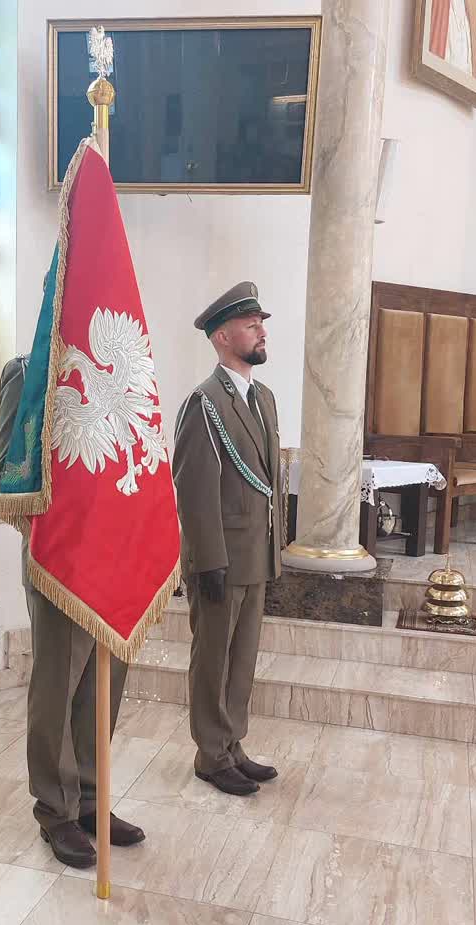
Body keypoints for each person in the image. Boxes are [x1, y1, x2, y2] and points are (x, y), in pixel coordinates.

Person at [0, 355, 146, 868]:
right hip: (60, 567)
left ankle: (91, 800)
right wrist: (64, 546)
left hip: (115, 567)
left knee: (104, 688)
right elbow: (7, 479)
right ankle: (56, 810)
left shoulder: (117, 373)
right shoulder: (27, 372)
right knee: (57, 688)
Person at [171, 282, 285, 796]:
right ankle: (210, 754)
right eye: (250, 324)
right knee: (214, 658)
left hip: (255, 552)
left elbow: (267, 481)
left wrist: (274, 548)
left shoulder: (264, 399)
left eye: (261, 324)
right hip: (220, 557)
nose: (261, 332)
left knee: (242, 658)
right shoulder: (204, 403)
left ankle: (232, 743)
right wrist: (207, 559)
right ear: (221, 336)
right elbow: (194, 488)